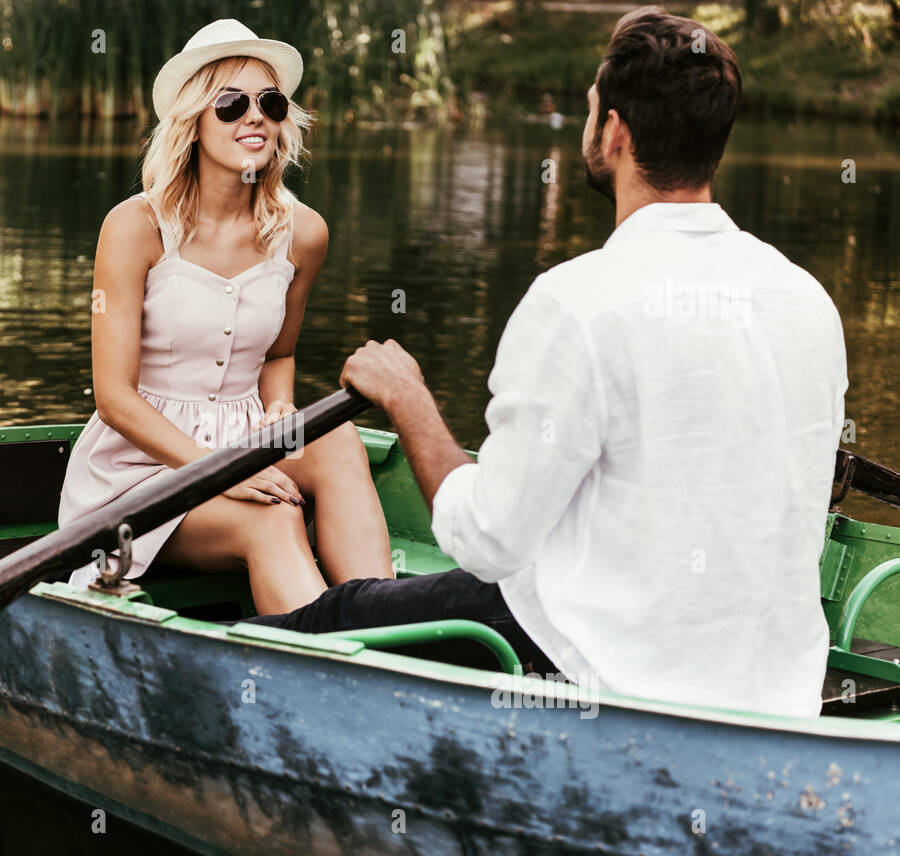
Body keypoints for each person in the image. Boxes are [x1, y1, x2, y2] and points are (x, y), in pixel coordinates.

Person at [240, 6, 849, 719]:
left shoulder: (577, 301)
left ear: (614, 133)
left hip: (596, 666)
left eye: (592, 109)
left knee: (312, 625)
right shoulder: (805, 299)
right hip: (778, 685)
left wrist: (410, 402)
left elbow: (489, 542)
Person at [58, 19, 394, 615]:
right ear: (192, 120)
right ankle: (337, 671)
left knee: (339, 439)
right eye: (232, 104)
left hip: (246, 439)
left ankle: (386, 616)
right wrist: (221, 472)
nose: (255, 116)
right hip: (140, 470)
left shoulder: (303, 234)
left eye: (270, 102)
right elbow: (113, 395)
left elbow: (279, 356)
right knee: (272, 520)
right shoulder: (135, 228)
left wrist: (279, 409)